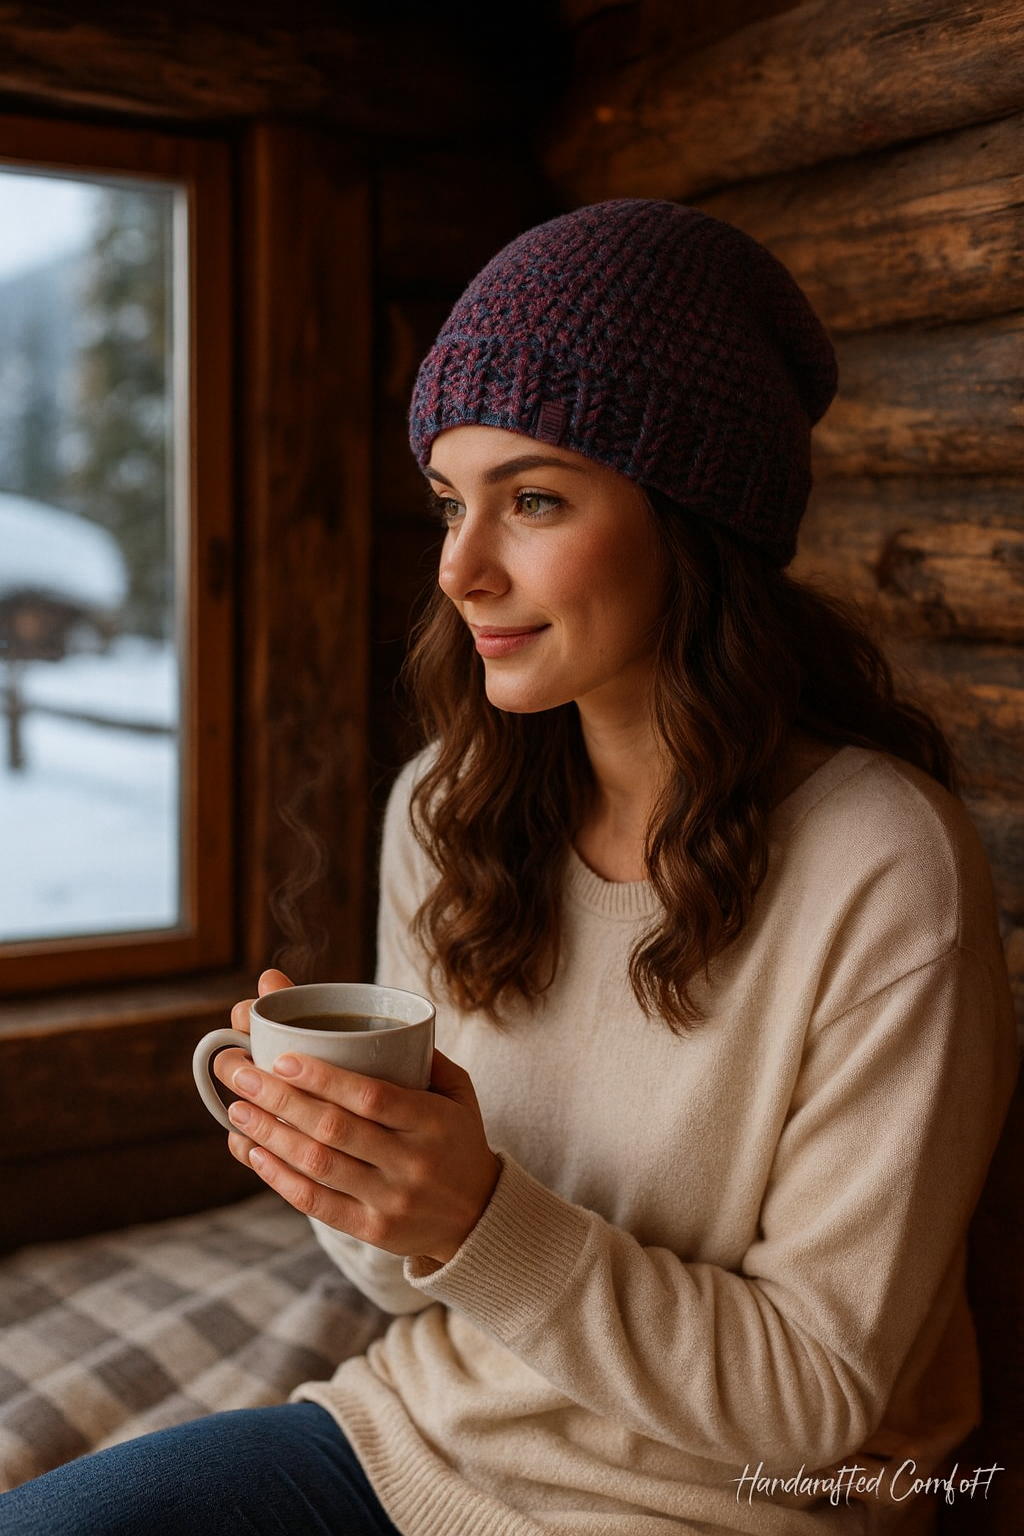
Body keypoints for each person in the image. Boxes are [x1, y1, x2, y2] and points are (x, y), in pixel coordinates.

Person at [2, 199, 1016, 1535]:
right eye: (447, 502)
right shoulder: (449, 808)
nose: (462, 569)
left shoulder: (885, 868)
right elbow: (411, 1285)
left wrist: (481, 1214)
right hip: (410, 1441)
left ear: (694, 521)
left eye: (533, 499)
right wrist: (363, 1179)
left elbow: (819, 1392)